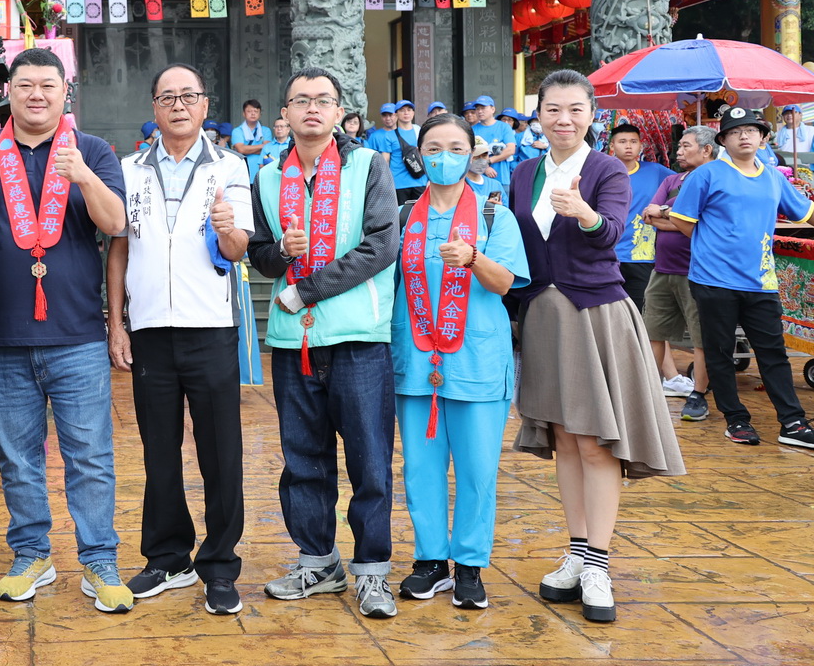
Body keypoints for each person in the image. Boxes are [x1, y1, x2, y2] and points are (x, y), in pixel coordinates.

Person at [507, 70, 684, 625]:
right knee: (564, 439)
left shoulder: (607, 169)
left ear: (591, 115)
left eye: (575, 110)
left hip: (594, 313)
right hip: (542, 316)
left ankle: (598, 564)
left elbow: (611, 231)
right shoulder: (524, 172)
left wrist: (583, 213)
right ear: (538, 115)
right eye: (553, 110)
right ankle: (577, 551)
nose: (564, 120)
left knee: (594, 443)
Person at [0, 47, 134, 613]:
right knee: (18, 457)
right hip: (1, 336)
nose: (36, 95)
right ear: (8, 92)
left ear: (66, 92)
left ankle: (99, 559)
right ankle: (32, 553)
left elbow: (115, 224)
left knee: (90, 456)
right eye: (25, 85)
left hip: (77, 334)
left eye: (47, 85)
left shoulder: (93, 150)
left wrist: (82, 175)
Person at [247, 68, 401, 619]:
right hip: (294, 342)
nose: (311, 108)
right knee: (303, 458)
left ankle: (373, 570)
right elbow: (258, 255)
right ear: (284, 113)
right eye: (300, 100)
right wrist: (280, 255)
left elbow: (382, 245)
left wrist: (307, 289)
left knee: (369, 459)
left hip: (358, 336)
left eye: (323, 100)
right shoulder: (268, 177)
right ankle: (318, 561)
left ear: (339, 112)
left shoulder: (369, 165)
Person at [107, 63, 253, 616]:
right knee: (159, 451)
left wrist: (227, 229)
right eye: (167, 97)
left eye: (188, 96)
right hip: (150, 330)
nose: (178, 105)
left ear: (204, 103)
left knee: (221, 452)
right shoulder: (128, 170)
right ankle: (168, 557)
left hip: (210, 328)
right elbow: (119, 247)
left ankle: (220, 564)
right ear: (154, 107)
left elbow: (237, 249)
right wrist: (116, 322)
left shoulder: (229, 166)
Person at [393, 113, 529, 610]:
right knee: (420, 469)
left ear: (472, 153)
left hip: (477, 361)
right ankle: (431, 561)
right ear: (419, 155)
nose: (443, 158)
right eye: (433, 149)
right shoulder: (403, 216)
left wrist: (473, 258)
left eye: (455, 148)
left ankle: (470, 564)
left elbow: (506, 283)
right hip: (416, 361)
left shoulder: (495, 215)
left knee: (477, 470)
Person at [672, 106, 814, 450]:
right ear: (723, 141)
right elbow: (682, 219)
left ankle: (792, 423)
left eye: (751, 130)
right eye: (735, 132)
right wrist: (712, 247)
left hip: (760, 281)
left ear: (763, 138)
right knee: (721, 352)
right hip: (713, 280)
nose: (744, 136)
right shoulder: (707, 175)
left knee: (773, 352)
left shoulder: (773, 177)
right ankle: (736, 420)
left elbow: (805, 210)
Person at [641, 126, 717, 413]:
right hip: (662, 268)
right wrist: (677, 219)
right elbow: (648, 215)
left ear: (706, 150)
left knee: (700, 337)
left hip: (697, 271)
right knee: (653, 331)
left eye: (686, 146)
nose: (678, 152)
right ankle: (649, 390)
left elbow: (703, 224)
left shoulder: (716, 179)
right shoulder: (672, 179)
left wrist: (666, 214)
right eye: (680, 146)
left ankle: (698, 394)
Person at [606, 122, 674, 315]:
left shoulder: (656, 171)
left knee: (640, 314)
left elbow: (686, 185)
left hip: (641, 255)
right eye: (622, 142)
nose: (628, 146)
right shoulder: (602, 171)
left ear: (641, 145)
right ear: (612, 145)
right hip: (607, 254)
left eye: (633, 141)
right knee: (610, 314)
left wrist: (664, 211)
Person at [468, 96, 516, 178]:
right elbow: (469, 153)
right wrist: (485, 168)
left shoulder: (504, 127)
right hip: (478, 177)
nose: (480, 111)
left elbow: (511, 150)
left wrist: (489, 161)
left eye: (483, 108)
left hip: (501, 176)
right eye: (477, 109)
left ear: (493, 109)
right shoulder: (472, 130)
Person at [230, 99, 269, 180]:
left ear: (260, 114)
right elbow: (241, 149)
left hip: (261, 172)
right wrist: (262, 146)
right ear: (244, 113)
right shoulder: (237, 131)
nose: (253, 113)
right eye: (249, 111)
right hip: (242, 171)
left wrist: (246, 150)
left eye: (256, 111)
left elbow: (267, 150)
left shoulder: (266, 130)